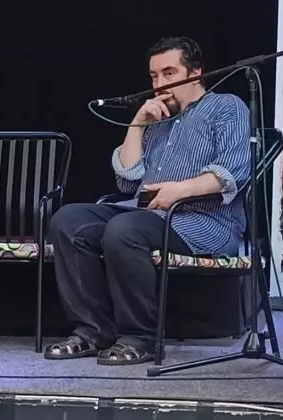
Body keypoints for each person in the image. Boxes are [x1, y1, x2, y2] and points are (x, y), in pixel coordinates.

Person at [45, 36, 251, 365]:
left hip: (205, 222)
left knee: (125, 229)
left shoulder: (226, 107)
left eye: (170, 73)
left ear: (196, 72)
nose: (160, 84)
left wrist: (177, 191)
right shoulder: (158, 117)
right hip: (146, 214)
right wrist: (138, 124)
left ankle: (140, 338)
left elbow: (235, 171)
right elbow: (127, 180)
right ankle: (93, 330)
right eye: (154, 76)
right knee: (68, 220)